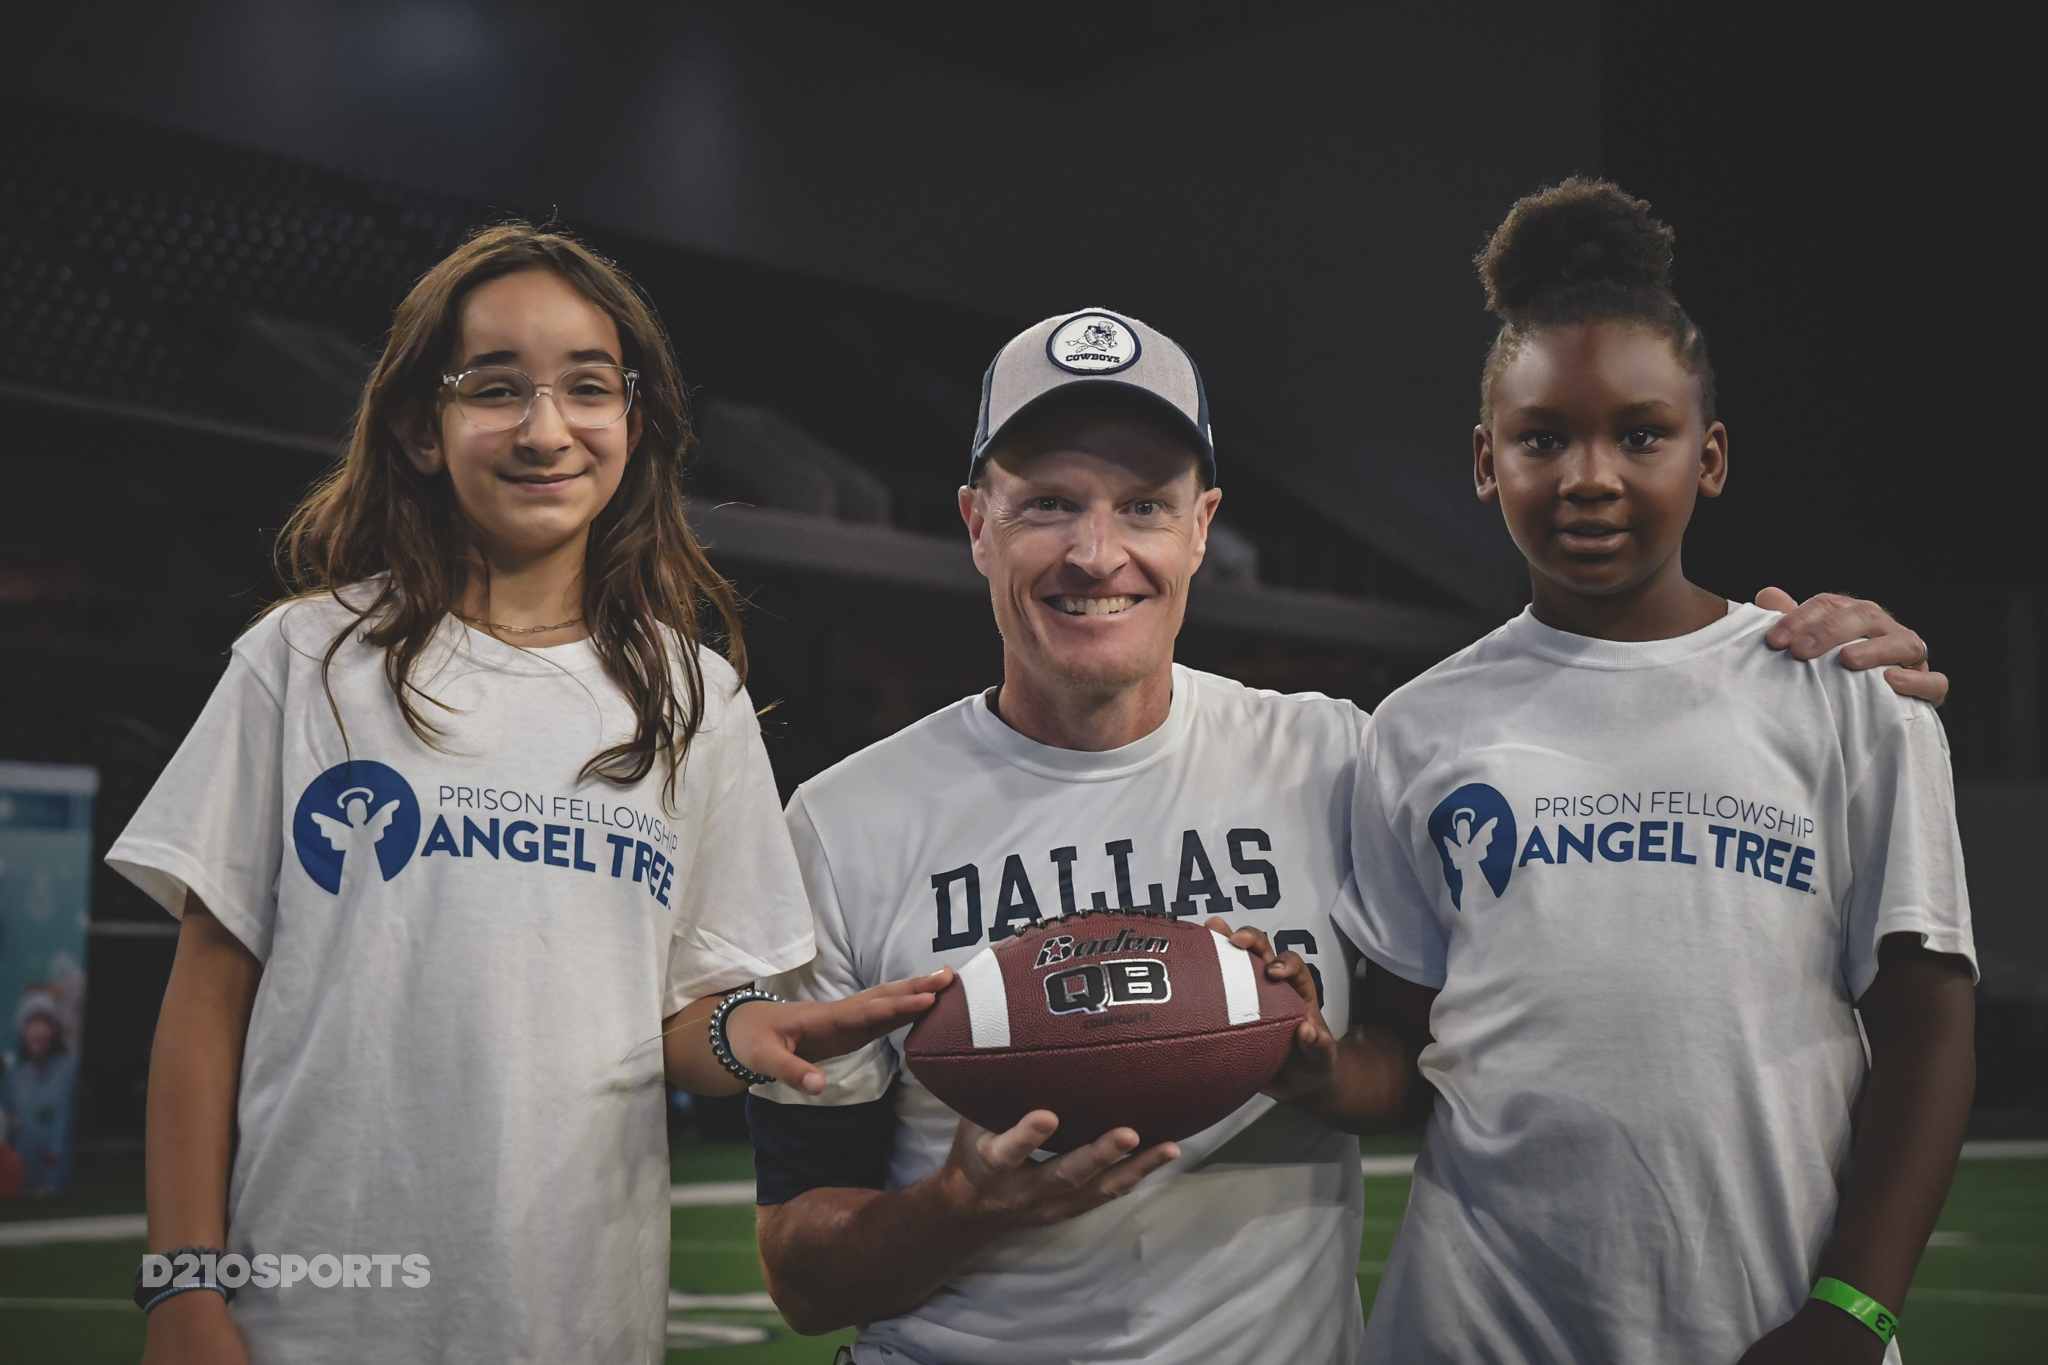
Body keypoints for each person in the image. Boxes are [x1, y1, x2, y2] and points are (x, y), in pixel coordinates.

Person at [745, 307, 1946, 1364]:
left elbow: (1449, 1053)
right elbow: (803, 1279)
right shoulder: (843, 824)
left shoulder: (1338, 756)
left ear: (1203, 525)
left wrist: (1784, 659)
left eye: (1143, 506)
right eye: (1046, 503)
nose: (1094, 552)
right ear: (973, 523)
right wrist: (964, 1205)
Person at [107, 223, 947, 1365]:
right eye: (493, 388)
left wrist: (756, 1034)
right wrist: (184, 1287)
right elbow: (208, 1000)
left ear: (632, 427)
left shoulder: (693, 700)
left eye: (586, 389)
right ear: (418, 427)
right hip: (305, 1311)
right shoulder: (305, 664)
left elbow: (684, 1030)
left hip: (573, 1323)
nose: (545, 429)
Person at [1283, 179, 1974, 1363]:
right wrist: (1300, 1063)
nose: (1588, 476)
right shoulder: (1416, 726)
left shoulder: (1845, 692)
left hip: (1765, 1327)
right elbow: (1408, 1053)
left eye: (1639, 434)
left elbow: (1924, 1032)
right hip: (1471, 1328)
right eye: (1540, 437)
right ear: (1481, 462)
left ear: (1706, 458)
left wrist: (1852, 1312)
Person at [0, 988, 78, 1194]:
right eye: (32, 1023)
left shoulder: (69, 1070)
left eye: (45, 1023)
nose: (38, 1031)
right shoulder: (13, 1078)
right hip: (22, 1177)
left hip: (59, 1176)